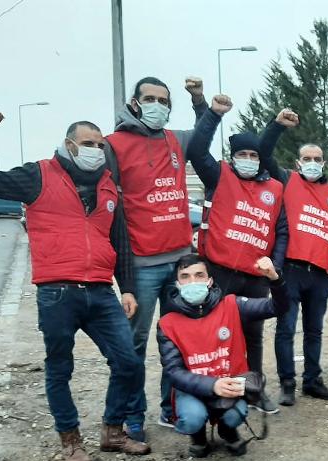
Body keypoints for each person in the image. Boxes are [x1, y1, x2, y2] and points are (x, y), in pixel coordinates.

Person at [0, 108, 150, 461]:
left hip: (102, 292)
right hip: (57, 291)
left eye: (100, 144)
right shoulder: (38, 175)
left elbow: (119, 240)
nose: (95, 149)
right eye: (88, 143)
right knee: (60, 368)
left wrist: (129, 289)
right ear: (70, 144)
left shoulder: (108, 185)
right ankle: (70, 440)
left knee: (128, 362)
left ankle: (113, 430)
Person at [104, 76, 208, 440]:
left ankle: (171, 408)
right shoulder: (113, 145)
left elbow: (205, 131)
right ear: (134, 103)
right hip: (142, 264)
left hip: (179, 261)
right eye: (149, 98)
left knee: (177, 341)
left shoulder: (175, 140)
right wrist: (122, 275)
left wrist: (198, 99)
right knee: (133, 344)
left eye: (163, 100)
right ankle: (133, 416)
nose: (157, 105)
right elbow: (107, 202)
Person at [184, 94, 286, 414]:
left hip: (256, 276)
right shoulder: (220, 176)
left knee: (254, 336)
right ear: (233, 156)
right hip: (222, 271)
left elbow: (281, 232)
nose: (247, 159)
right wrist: (213, 114)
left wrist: (276, 269)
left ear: (260, 159)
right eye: (241, 154)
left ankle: (254, 391)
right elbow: (196, 151)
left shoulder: (275, 189)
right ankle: (218, 393)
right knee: (217, 334)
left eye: (253, 155)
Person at [157, 254, 288, 457]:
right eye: (185, 276)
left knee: (236, 413)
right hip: (193, 389)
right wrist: (212, 385)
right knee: (192, 417)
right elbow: (173, 372)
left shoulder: (232, 305)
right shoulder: (167, 323)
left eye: (199, 275)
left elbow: (277, 307)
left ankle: (227, 430)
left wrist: (274, 278)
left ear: (210, 281)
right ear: (177, 283)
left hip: (231, 387)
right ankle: (198, 435)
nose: (193, 282)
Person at [258, 109, 328, 405]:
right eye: (306, 159)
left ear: (324, 163)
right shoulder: (286, 179)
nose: (312, 163)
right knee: (285, 329)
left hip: (320, 275)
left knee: (314, 330)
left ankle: (312, 381)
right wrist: (276, 126)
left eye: (317, 159)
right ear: (298, 163)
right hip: (289, 271)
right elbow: (264, 153)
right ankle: (287, 383)